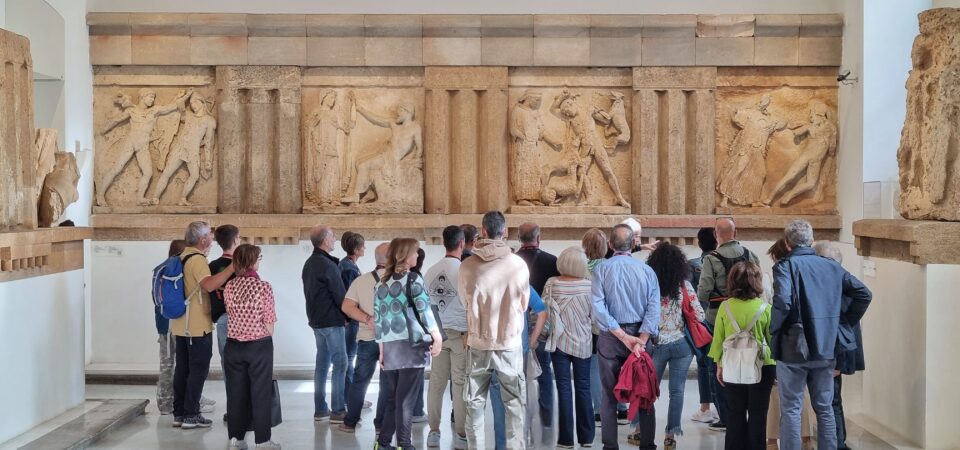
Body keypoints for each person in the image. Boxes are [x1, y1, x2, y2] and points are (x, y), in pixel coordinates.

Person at [771, 220, 872, 450]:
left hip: (792, 347)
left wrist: (775, 329)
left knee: (792, 409)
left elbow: (783, 303)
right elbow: (863, 293)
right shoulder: (831, 266)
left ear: (787, 244)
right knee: (824, 407)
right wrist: (842, 322)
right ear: (811, 240)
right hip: (826, 346)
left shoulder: (785, 267)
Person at [460, 211, 531, 450]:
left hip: (478, 342)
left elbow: (464, 302)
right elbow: (523, 305)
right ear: (505, 232)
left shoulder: (468, 266)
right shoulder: (518, 264)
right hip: (509, 343)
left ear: (483, 231)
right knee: (514, 403)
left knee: (474, 404)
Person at [592, 224, 660, 450]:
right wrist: (639, 339)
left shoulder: (601, 269)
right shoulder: (647, 271)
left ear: (610, 245)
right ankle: (647, 445)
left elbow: (598, 307)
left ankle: (610, 445)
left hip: (612, 337)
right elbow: (653, 309)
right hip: (641, 335)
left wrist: (622, 336)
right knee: (644, 393)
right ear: (633, 244)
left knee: (609, 394)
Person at [374, 238, 442, 450]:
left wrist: (381, 350)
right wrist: (436, 335)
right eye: (415, 252)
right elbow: (424, 310)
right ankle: (404, 444)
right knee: (406, 400)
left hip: (390, 346)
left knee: (394, 399)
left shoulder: (381, 283)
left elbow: (379, 319)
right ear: (404, 255)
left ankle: (383, 443)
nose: (417, 255)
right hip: (410, 346)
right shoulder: (413, 279)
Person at [636, 243, 705, 450]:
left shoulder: (649, 283)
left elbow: (641, 314)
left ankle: (640, 430)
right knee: (677, 391)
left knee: (647, 390)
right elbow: (700, 314)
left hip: (656, 345)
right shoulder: (684, 285)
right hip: (681, 345)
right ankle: (670, 435)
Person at [171, 221, 235, 429]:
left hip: (181, 323)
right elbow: (208, 285)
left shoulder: (183, 255)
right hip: (196, 324)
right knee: (198, 369)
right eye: (209, 234)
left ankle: (179, 412)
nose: (212, 237)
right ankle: (191, 414)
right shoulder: (197, 259)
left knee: (183, 369)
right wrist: (231, 268)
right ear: (202, 239)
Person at [697, 217, 759, 432]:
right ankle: (749, 413)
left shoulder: (711, 259)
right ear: (736, 231)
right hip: (750, 317)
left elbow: (703, 292)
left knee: (719, 367)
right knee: (750, 362)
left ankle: (726, 417)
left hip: (719, 317)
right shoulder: (750, 255)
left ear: (716, 234)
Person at [708, 261, 776, 450]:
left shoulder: (725, 307)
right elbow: (772, 342)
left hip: (732, 364)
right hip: (762, 366)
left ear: (732, 282)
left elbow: (718, 341)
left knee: (735, 413)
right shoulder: (765, 308)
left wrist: (719, 365)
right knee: (758, 414)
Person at [223, 244, 280, 450]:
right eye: (259, 257)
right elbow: (269, 321)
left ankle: (236, 439)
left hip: (233, 345)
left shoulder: (229, 286)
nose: (260, 260)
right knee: (260, 392)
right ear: (253, 261)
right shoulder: (263, 287)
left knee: (236, 392)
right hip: (258, 345)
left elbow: (231, 313)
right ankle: (262, 440)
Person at [813, 241, 867, 450]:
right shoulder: (838, 281)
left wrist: (847, 321)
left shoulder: (840, 283)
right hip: (836, 347)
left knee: (831, 400)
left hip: (837, 349)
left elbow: (865, 295)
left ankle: (836, 443)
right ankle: (836, 441)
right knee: (831, 399)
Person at [765, 238, 816, 450]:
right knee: (804, 397)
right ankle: (806, 439)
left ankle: (773, 440)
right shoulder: (811, 272)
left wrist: (774, 331)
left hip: (788, 342)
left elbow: (780, 307)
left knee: (783, 397)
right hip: (813, 341)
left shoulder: (782, 274)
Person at [542, 247, 596, 449]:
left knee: (563, 387)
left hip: (559, 342)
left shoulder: (551, 284)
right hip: (583, 342)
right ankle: (587, 438)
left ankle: (565, 439)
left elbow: (543, 310)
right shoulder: (589, 286)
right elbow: (595, 319)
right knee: (583, 387)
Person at [425, 226, 469, 449]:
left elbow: (428, 308)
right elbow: (471, 306)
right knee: (460, 384)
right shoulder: (464, 271)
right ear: (462, 243)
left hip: (438, 335)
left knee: (436, 384)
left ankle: (433, 431)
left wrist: (435, 334)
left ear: (444, 242)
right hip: (461, 335)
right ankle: (461, 433)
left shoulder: (431, 271)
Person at [339, 243, 389, 434]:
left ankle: (350, 422)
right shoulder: (400, 280)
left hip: (367, 340)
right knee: (386, 384)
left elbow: (347, 306)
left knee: (360, 381)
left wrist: (368, 319)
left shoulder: (361, 281)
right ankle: (381, 425)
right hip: (391, 342)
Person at [516, 222, 560, 432]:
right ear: (538, 238)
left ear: (519, 239)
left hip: (518, 324)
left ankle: (522, 416)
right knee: (544, 372)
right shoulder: (553, 261)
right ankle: (547, 418)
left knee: (517, 373)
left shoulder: (511, 261)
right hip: (543, 323)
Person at [303, 226, 348, 423]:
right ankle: (338, 410)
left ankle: (320, 408)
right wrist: (349, 314)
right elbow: (340, 295)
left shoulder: (310, 263)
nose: (335, 239)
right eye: (332, 236)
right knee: (340, 363)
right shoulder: (328, 265)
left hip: (317, 321)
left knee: (322, 365)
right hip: (331, 321)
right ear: (325, 241)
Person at [209, 224, 240, 421]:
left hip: (221, 319)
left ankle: (233, 409)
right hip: (242, 320)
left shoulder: (211, 266)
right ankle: (244, 408)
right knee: (244, 365)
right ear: (236, 240)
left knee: (228, 365)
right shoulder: (242, 265)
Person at [689, 227, 719, 425]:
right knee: (719, 363)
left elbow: (690, 296)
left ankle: (706, 407)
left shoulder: (692, 265)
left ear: (699, 243)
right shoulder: (725, 261)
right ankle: (720, 407)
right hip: (723, 316)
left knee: (703, 364)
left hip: (702, 321)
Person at [156, 239, 187, 415]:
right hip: (177, 323)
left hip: (163, 323)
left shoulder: (161, 268)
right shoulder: (179, 270)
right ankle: (170, 403)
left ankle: (165, 403)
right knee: (179, 364)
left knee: (167, 364)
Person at [339, 231, 366, 411]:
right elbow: (349, 296)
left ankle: (350, 397)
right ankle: (350, 398)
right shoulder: (349, 268)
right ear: (356, 249)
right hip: (350, 320)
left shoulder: (346, 265)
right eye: (362, 245)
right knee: (349, 358)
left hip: (350, 320)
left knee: (349, 358)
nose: (365, 248)